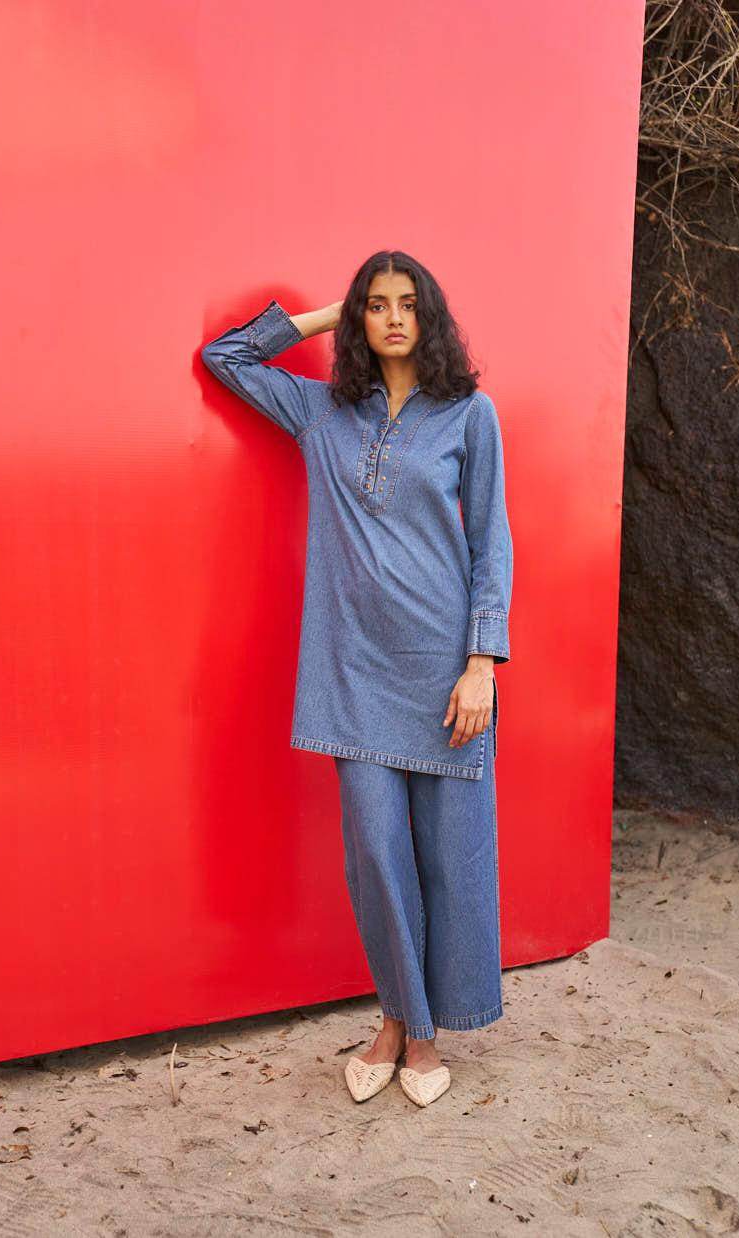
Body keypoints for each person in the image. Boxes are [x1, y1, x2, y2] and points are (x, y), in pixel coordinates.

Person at [200, 250, 513, 1108]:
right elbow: (225, 358)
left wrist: (481, 662)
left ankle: (419, 1029)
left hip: (445, 671)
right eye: (375, 305)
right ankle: (402, 1021)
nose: (393, 318)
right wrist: (324, 313)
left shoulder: (468, 414)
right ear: (359, 320)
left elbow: (490, 542)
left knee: (447, 858)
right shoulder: (321, 413)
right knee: (375, 855)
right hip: (350, 670)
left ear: (430, 314)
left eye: (407, 303)